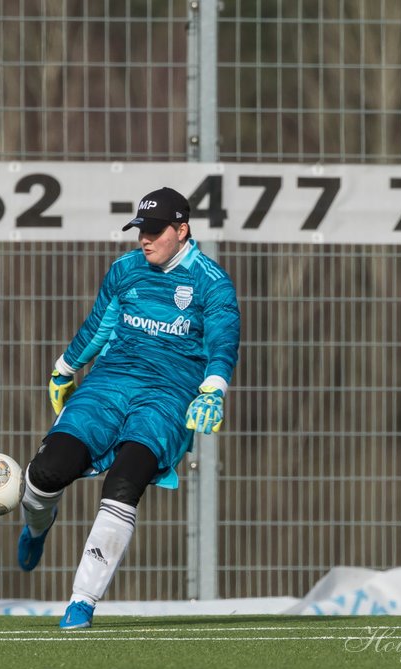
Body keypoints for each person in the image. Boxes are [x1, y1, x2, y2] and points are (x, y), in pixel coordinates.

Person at [14, 187, 241, 629]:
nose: (146, 239)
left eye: (156, 231)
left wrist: (212, 390)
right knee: (46, 471)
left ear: (182, 230)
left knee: (124, 481)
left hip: (168, 395)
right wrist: (64, 368)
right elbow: (99, 326)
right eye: (141, 230)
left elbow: (222, 343)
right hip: (109, 382)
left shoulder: (211, 283)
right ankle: (37, 528)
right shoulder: (125, 271)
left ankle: (82, 601)